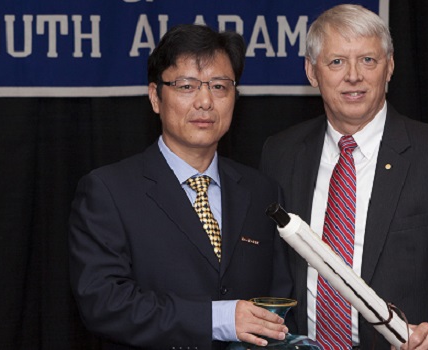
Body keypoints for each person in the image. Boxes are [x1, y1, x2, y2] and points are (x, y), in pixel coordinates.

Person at [260, 4, 428, 350]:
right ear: (311, 71)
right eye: (337, 62)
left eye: (368, 60)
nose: (353, 75)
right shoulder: (280, 153)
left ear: (390, 67)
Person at [69, 24, 293, 350]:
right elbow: (103, 302)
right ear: (155, 97)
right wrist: (218, 319)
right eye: (186, 86)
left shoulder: (262, 191)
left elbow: (280, 299)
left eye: (219, 86)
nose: (204, 101)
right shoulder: (109, 191)